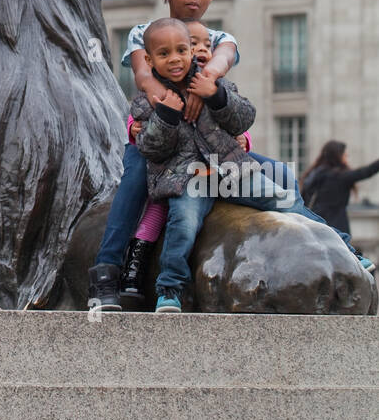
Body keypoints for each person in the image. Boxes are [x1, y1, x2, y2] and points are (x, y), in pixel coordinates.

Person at [87, 0, 331, 312]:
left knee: (280, 174)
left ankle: (327, 237)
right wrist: (174, 100)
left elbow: (222, 62)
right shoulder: (144, 33)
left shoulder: (219, 37)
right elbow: (142, 77)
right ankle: (108, 270)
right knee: (135, 178)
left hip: (210, 150)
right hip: (162, 140)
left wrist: (208, 84)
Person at [132, 19, 372, 314]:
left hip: (229, 171)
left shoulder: (216, 83)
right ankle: (170, 289)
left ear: (192, 52)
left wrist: (216, 96)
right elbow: (150, 149)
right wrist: (166, 116)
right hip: (186, 180)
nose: (174, 59)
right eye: (164, 53)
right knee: (183, 225)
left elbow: (244, 117)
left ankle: (346, 248)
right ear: (149, 59)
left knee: (285, 201)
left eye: (182, 50)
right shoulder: (149, 101)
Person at [119, 20, 252, 307]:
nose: (199, 49)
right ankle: (134, 266)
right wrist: (136, 126)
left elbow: (234, 120)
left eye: (205, 46)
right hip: (173, 171)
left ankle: (339, 240)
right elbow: (140, 118)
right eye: (193, 44)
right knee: (156, 209)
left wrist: (244, 138)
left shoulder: (212, 79)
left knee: (281, 185)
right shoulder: (153, 69)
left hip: (217, 165)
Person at [302, 141, 379, 234]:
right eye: (345, 155)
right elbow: (366, 172)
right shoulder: (339, 176)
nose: (347, 157)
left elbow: (304, 199)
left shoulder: (315, 173)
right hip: (337, 227)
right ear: (338, 156)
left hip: (316, 224)